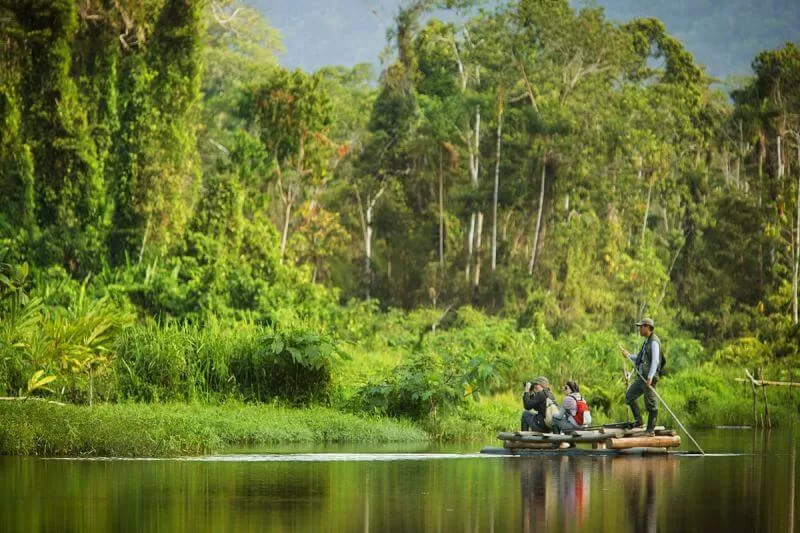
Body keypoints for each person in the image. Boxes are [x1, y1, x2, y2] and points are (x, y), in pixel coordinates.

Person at [620, 317, 661, 436]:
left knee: (651, 404)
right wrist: (628, 355)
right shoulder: (646, 341)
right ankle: (639, 421)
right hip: (641, 377)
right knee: (629, 396)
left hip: (648, 378)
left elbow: (655, 361)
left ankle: (650, 430)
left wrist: (650, 377)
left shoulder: (654, 341)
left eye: (641, 327)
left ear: (647, 327)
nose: (639, 329)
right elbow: (640, 358)